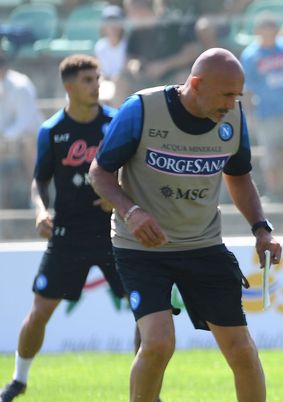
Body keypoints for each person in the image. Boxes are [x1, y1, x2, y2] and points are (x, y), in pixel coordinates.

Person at [89, 48, 282, 402]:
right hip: (141, 246)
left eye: (237, 95)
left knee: (241, 349)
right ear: (196, 84)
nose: (232, 103)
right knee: (159, 342)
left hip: (203, 246)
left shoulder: (233, 117)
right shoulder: (142, 110)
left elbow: (238, 176)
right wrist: (132, 212)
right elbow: (99, 172)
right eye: (226, 94)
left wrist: (261, 228)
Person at [0, 55, 127, 402]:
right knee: (40, 311)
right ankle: (18, 380)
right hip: (67, 234)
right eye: (87, 80)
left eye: (97, 78)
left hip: (115, 233)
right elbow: (39, 181)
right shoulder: (52, 130)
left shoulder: (116, 122)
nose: (95, 85)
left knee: (147, 313)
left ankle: (145, 390)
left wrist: (119, 196)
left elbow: (136, 172)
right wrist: (41, 211)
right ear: (69, 86)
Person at [241, 12, 283, 203]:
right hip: (265, 112)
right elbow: (248, 90)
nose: (268, 34)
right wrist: (250, 115)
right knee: (269, 155)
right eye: (264, 30)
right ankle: (274, 193)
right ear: (257, 32)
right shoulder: (250, 55)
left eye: (271, 30)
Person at [0, 50, 44, 209]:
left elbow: (25, 121)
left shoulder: (20, 85)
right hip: (8, 140)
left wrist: (4, 138)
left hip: (31, 138)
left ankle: (37, 199)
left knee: (28, 144)